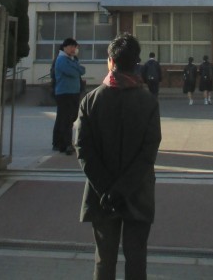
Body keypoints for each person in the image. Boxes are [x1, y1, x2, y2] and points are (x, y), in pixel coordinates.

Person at [76, 33, 161, 280]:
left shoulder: (91, 100)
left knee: (104, 259)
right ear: (136, 63)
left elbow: (82, 148)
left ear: (111, 61)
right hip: (138, 192)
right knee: (137, 259)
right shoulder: (148, 101)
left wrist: (107, 189)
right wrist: (123, 189)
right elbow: (149, 151)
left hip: (101, 195)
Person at [52, 37, 86, 154]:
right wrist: (77, 68)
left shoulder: (72, 59)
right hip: (64, 93)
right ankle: (65, 144)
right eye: (71, 46)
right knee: (65, 119)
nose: (73, 49)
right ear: (65, 47)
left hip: (74, 92)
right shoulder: (61, 59)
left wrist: (77, 68)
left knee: (71, 117)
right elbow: (73, 72)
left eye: (75, 47)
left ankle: (61, 143)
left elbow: (82, 70)